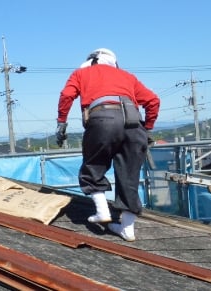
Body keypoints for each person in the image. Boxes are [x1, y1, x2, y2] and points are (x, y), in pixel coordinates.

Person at [55, 48, 160, 242]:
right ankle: (127, 229)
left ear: (91, 61)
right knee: (130, 175)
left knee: (93, 166)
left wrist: (61, 123)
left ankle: (102, 211)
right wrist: (148, 128)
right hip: (134, 124)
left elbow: (67, 95)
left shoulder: (81, 73)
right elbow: (153, 101)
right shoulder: (127, 76)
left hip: (103, 119)